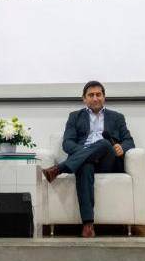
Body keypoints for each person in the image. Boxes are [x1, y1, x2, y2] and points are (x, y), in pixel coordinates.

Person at [42, 81, 135, 238]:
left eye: (98, 94)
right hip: (84, 161)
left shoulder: (117, 117)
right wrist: (85, 152)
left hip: (108, 161)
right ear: (84, 99)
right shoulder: (75, 116)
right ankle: (88, 225)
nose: (95, 98)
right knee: (85, 166)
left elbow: (129, 141)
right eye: (91, 95)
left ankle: (60, 168)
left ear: (104, 97)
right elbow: (67, 143)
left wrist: (122, 147)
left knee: (105, 144)